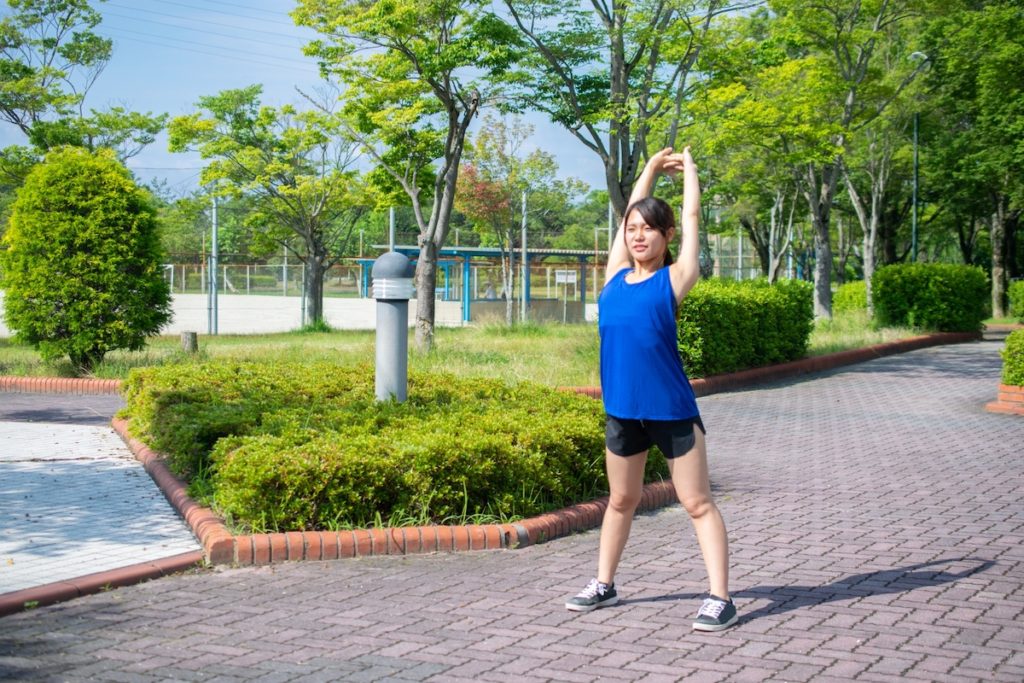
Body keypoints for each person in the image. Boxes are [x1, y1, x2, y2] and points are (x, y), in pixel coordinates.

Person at [564, 146, 737, 632]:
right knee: (621, 500)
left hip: (671, 412)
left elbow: (693, 217)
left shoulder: (675, 280)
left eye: (649, 229)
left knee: (696, 502)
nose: (638, 235)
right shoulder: (615, 277)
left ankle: (720, 598)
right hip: (622, 412)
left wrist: (690, 173)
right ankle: (604, 584)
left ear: (667, 236)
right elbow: (627, 215)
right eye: (633, 229)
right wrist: (649, 169)